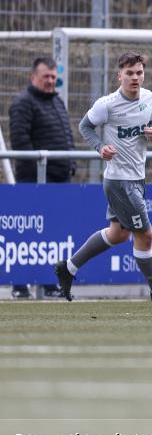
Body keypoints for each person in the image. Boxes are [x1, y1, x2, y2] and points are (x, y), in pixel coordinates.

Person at [53, 52, 152, 307]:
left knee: (117, 234)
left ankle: (68, 268)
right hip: (119, 181)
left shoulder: (148, 97)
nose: (135, 77)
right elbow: (84, 127)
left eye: (139, 72)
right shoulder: (108, 104)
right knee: (145, 234)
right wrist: (100, 147)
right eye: (129, 73)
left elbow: (151, 123)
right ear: (119, 76)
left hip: (138, 177)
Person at [8, 56, 73, 299]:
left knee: (54, 235)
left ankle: (48, 283)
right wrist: (40, 174)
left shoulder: (57, 101)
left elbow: (66, 137)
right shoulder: (23, 103)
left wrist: (71, 164)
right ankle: (20, 286)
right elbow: (21, 142)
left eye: (54, 77)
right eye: (46, 76)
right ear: (32, 77)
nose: (50, 81)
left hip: (59, 181)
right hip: (35, 183)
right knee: (28, 236)